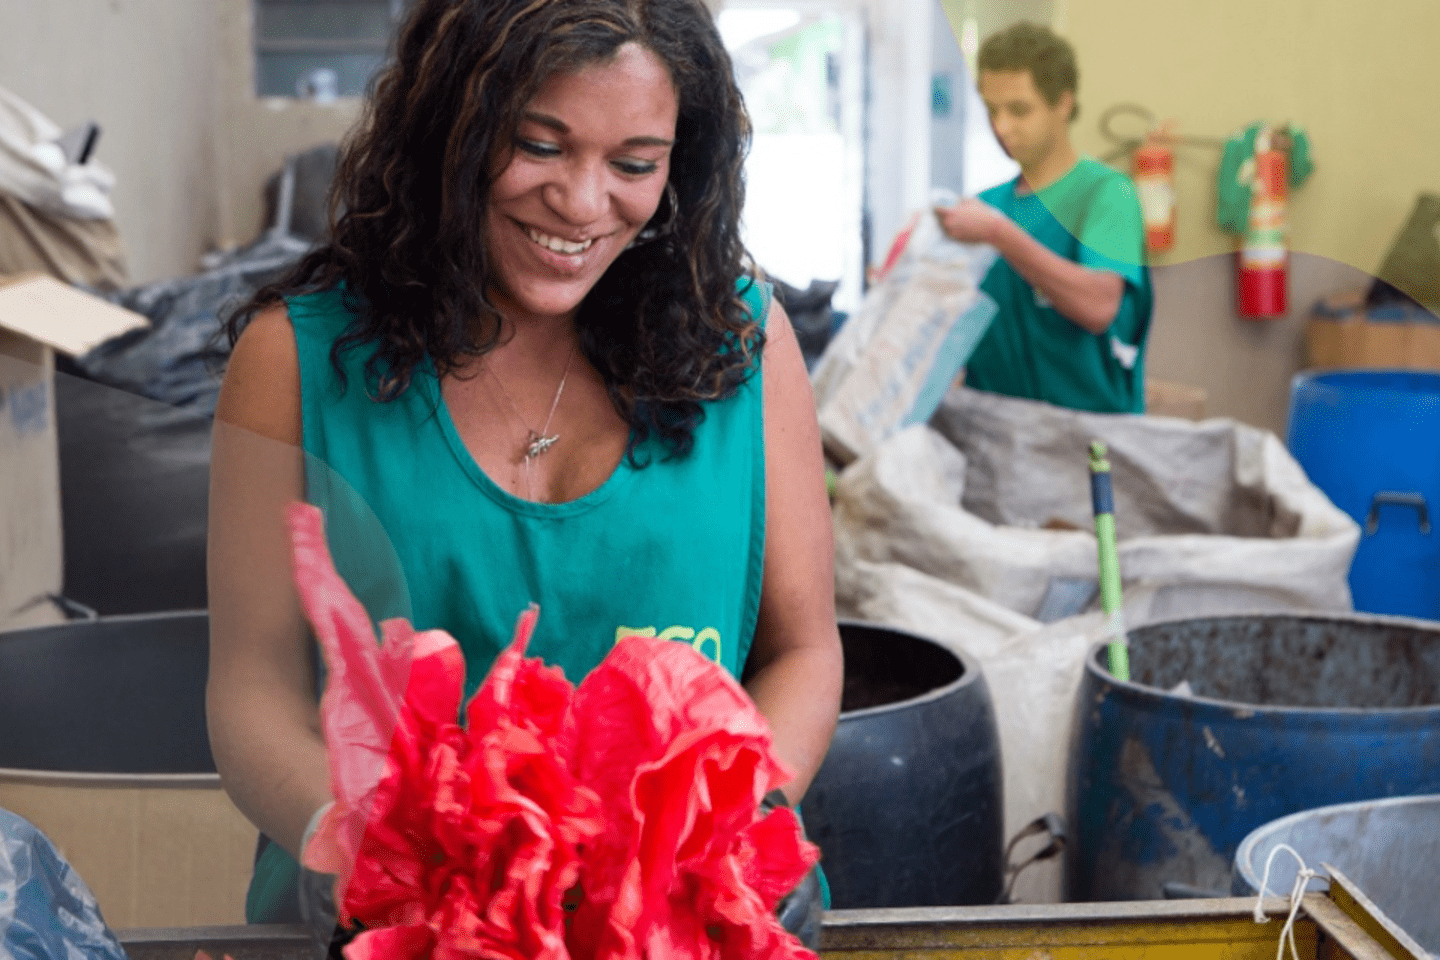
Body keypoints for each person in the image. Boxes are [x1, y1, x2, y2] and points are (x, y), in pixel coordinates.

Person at [205, 0, 842, 941]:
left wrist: (706, 842)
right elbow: (252, 688)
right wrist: (381, 860)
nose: (584, 205)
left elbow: (803, 652)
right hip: (383, 919)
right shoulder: (293, 363)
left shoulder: (740, 347)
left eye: (634, 164)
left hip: (684, 921)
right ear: (447, 129)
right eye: (537, 146)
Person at [937, 22, 1153, 414]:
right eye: (992, 111)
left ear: (1063, 104)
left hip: (1087, 444)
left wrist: (1001, 235)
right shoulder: (986, 205)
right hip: (994, 442)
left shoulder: (1105, 195)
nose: (1001, 128)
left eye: (1019, 110)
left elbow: (1099, 307)